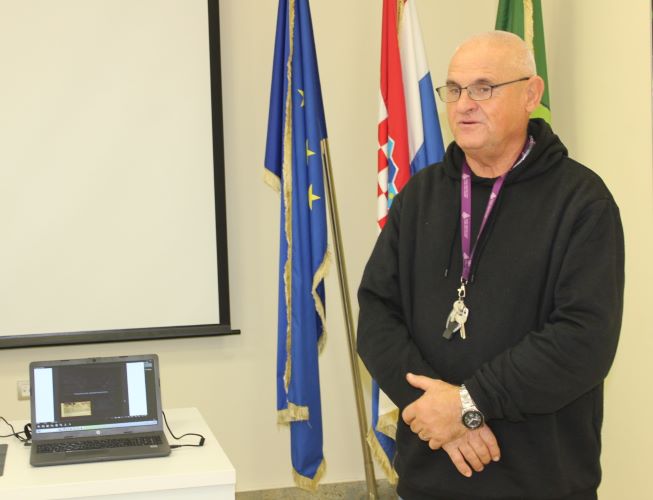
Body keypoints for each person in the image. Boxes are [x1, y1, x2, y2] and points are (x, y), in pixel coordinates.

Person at [357, 31, 624, 500]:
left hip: (540, 484)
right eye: (454, 89)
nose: (463, 104)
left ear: (531, 94)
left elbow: (583, 339)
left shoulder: (582, 202)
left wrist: (468, 403)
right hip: (428, 476)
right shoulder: (420, 196)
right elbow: (378, 314)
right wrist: (437, 411)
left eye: (483, 88)